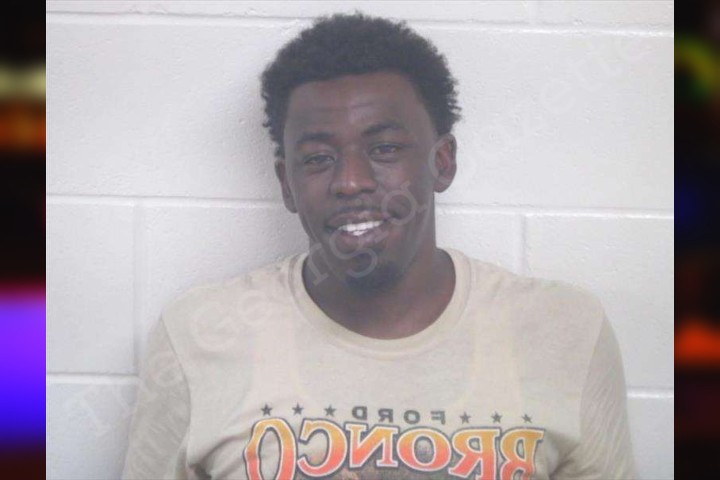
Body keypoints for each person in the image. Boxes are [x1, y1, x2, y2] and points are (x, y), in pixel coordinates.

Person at [123, 12, 635, 480]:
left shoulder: (564, 330)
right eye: (318, 158)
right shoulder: (199, 335)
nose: (351, 181)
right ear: (286, 184)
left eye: (385, 149)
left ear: (442, 163)